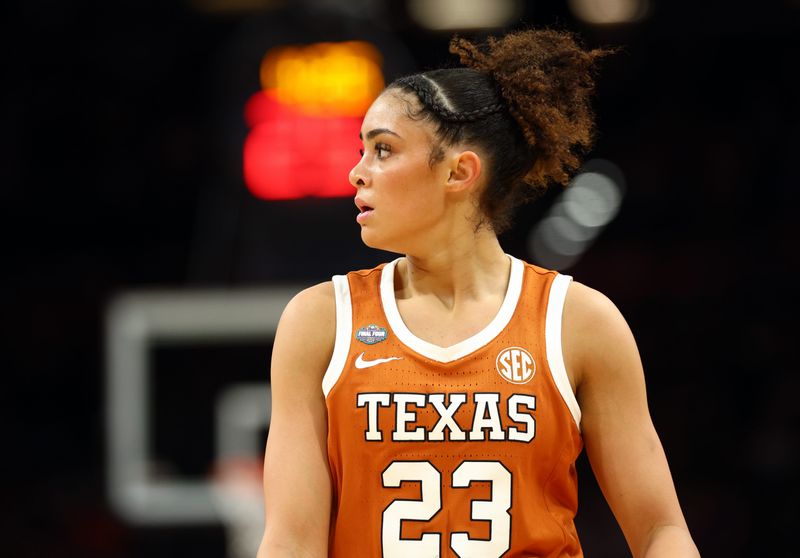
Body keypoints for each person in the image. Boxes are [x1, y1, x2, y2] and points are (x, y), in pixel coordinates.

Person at [257, 29, 700, 558]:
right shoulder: (321, 320)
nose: (357, 172)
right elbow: (289, 542)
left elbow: (661, 531)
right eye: (363, 151)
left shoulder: (577, 321)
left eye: (383, 150)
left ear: (459, 171)